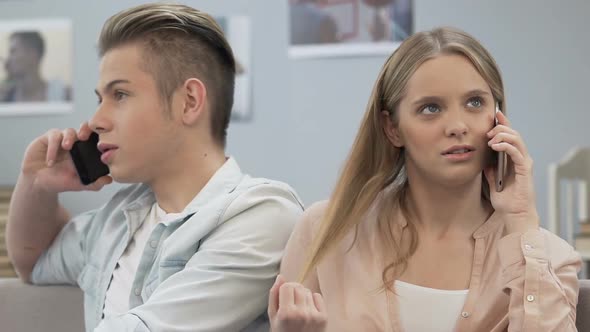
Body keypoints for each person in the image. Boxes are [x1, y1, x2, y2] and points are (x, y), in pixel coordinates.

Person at [6, 3, 303, 331]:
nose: (96, 121)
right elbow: (33, 262)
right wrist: (37, 183)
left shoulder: (262, 216)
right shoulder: (116, 220)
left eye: (119, 94)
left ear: (188, 101)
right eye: (100, 99)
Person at [268, 27, 581, 331]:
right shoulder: (323, 232)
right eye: (431, 108)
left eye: (475, 102)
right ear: (392, 128)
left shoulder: (547, 257)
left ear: (498, 115)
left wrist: (521, 220)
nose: (457, 126)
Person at [0, 31, 71, 103]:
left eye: (13, 51)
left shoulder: (62, 95)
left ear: (33, 53)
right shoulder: (6, 98)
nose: (8, 60)